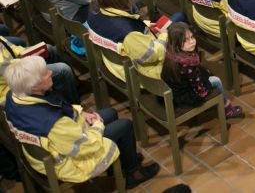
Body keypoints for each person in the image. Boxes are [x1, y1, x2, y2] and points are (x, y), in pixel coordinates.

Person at [3, 56, 160, 188]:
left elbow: (56, 106)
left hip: (49, 148)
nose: (50, 73)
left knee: (110, 113)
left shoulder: (14, 96)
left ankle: (121, 163)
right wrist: (97, 124)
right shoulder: (52, 122)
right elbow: (86, 145)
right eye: (45, 74)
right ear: (35, 85)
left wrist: (81, 113)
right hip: (67, 162)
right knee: (124, 126)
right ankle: (132, 174)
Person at [86, 0, 184, 82]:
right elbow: (151, 56)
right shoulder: (127, 32)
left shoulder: (94, 12)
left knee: (176, 19)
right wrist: (164, 35)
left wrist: (151, 26)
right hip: (141, 72)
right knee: (181, 22)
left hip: (113, 63)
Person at [161, 22, 244, 118]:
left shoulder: (170, 53)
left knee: (205, 72)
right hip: (186, 97)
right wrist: (204, 92)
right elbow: (199, 87)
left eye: (192, 37)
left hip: (176, 92)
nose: (192, 41)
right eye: (186, 40)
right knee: (216, 81)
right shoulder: (187, 64)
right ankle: (227, 109)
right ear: (177, 43)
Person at [0, 35, 79, 105]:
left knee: (48, 49)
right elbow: (6, 69)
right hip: (10, 82)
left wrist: (24, 53)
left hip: (15, 65)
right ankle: (72, 107)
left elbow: (10, 48)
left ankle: (74, 87)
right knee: (63, 70)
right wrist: (27, 59)